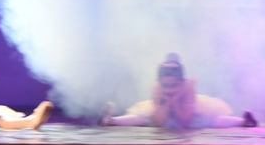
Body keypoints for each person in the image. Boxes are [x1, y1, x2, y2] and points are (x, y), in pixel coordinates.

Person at [101, 53, 255, 129]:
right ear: (160, 83)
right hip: (163, 119)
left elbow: (185, 121)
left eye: (173, 86)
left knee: (212, 120)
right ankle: (111, 120)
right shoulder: (158, 90)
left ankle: (244, 121)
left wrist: (175, 102)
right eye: (165, 86)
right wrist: (167, 104)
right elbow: (159, 122)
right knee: (140, 118)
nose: (169, 89)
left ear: (181, 83)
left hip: (188, 119)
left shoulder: (188, 90)